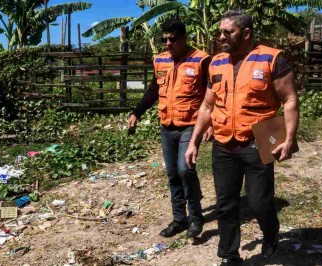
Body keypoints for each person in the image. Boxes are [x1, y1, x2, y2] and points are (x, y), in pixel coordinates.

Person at [185, 10, 299, 265]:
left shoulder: (271, 58)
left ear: (246, 33)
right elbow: (206, 106)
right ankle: (229, 254)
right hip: (224, 144)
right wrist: (193, 142)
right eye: (220, 32)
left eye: (228, 32)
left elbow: (290, 99)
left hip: (259, 140)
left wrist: (289, 139)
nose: (221, 37)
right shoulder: (216, 62)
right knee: (225, 204)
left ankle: (270, 234)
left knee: (260, 202)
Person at [128, 19, 212, 238]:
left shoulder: (201, 60)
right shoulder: (160, 60)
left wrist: (210, 124)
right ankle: (179, 219)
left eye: (172, 39)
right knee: (173, 174)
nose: (167, 43)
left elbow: (210, 96)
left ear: (184, 38)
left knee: (186, 170)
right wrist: (136, 112)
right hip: (166, 125)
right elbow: (153, 90)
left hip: (191, 125)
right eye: (164, 39)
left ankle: (195, 216)